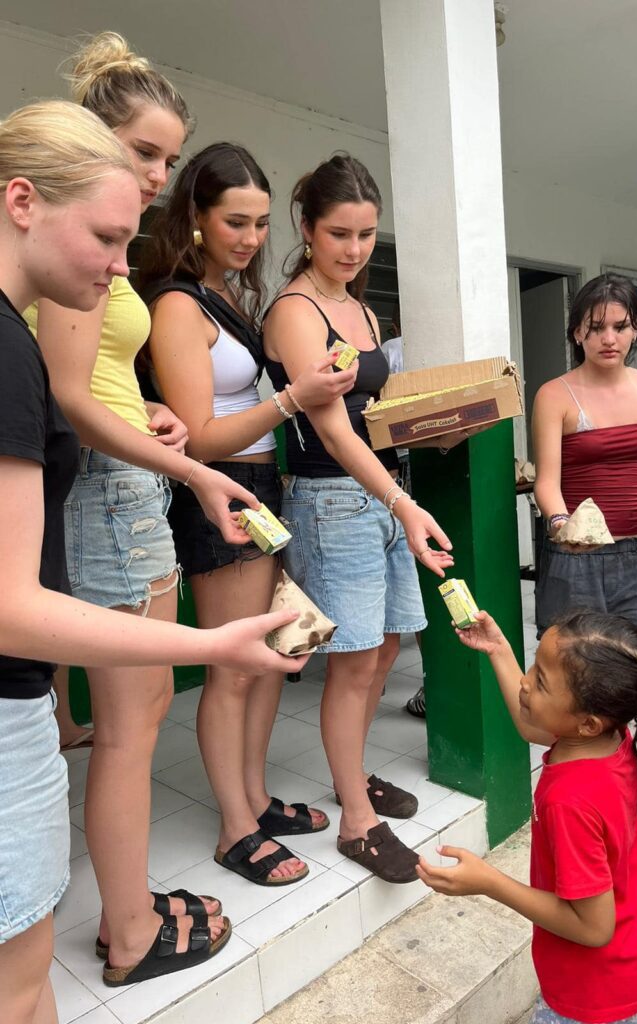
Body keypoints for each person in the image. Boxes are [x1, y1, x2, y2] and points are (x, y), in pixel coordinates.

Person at [0, 98, 311, 1024]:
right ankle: (131, 930)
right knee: (23, 973)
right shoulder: (19, 341)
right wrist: (218, 647)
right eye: (104, 234)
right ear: (24, 200)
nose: (113, 263)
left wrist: (169, 446)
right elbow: (11, 604)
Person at [140, 141, 361, 885]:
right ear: (195, 217)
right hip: (218, 493)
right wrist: (295, 397)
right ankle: (235, 827)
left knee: (272, 660)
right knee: (235, 668)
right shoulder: (177, 302)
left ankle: (257, 797)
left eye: (263, 224)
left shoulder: (230, 296)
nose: (250, 238)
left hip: (262, 491)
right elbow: (198, 435)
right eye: (235, 222)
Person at [262, 153, 456, 883]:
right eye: (339, 233)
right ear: (306, 228)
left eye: (368, 234)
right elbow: (335, 430)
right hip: (330, 501)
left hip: (376, 493)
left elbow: (375, 414)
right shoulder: (293, 311)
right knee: (350, 668)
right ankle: (355, 818)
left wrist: (431, 427)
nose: (354, 249)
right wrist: (403, 502)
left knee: (380, 655)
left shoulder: (364, 309)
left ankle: (355, 775)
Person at [418, 608, 637, 1024]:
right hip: (635, 959)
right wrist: (498, 650)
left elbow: (593, 928)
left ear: (587, 722)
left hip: (597, 997)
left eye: (541, 681)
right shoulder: (612, 737)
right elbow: (532, 725)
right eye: (533, 665)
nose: (527, 683)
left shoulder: (569, 800)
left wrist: (489, 882)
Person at [531, 272, 637, 846]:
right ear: (577, 331)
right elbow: (548, 482)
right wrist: (559, 524)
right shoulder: (555, 394)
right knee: (577, 684)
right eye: (595, 327)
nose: (609, 337)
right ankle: (588, 789)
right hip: (576, 558)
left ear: (636, 328)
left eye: (620, 326)